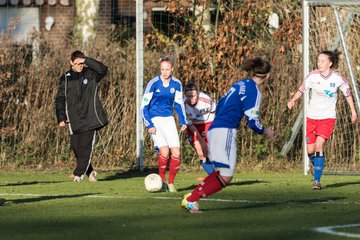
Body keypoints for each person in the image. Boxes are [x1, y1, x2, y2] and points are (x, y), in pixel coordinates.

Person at [181, 57, 275, 213]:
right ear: (267, 75)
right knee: (226, 176)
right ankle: (191, 199)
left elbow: (222, 102)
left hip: (215, 128)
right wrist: (265, 131)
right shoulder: (254, 92)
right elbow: (252, 121)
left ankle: (191, 197)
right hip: (225, 130)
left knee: (223, 173)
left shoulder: (240, 84)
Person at [287, 50, 358, 190]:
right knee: (310, 150)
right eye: (318, 60)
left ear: (330, 63)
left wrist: (353, 112)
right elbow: (301, 90)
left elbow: (348, 95)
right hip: (312, 118)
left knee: (319, 146)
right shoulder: (312, 76)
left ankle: (317, 181)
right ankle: (316, 165)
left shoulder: (338, 79)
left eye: (322, 61)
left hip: (327, 118)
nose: (319, 63)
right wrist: (292, 100)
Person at [55, 50, 108, 182]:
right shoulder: (65, 78)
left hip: (90, 118)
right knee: (76, 147)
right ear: (71, 63)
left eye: (81, 63)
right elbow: (60, 98)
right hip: (73, 119)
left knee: (85, 147)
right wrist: (61, 117)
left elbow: (103, 69)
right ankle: (91, 172)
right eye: (77, 63)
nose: (79, 65)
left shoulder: (91, 74)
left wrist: (86, 60)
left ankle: (78, 174)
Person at [141, 55, 187, 192]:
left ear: (172, 69)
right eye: (162, 69)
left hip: (168, 119)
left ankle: (171, 183)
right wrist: (149, 124)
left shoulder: (177, 84)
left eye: (167, 69)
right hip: (155, 119)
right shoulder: (153, 83)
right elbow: (143, 107)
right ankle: (162, 181)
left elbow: (179, 104)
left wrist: (183, 121)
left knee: (176, 152)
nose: (164, 72)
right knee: (164, 151)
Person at [183, 82, 216, 176]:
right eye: (188, 96)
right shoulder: (183, 105)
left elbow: (216, 112)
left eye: (193, 96)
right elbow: (189, 124)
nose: (191, 99)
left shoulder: (206, 100)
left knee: (211, 151)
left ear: (197, 93)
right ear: (185, 95)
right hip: (193, 127)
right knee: (201, 152)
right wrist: (201, 140)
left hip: (208, 123)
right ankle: (214, 176)